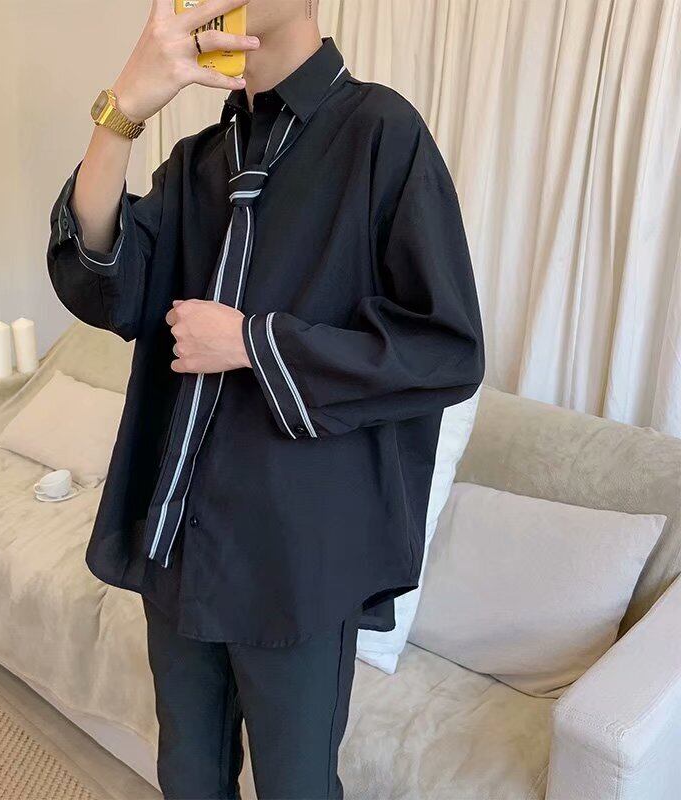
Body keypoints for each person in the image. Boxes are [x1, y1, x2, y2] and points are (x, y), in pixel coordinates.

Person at [46, 0, 484, 796]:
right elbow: (105, 284)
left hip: (296, 556)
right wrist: (122, 113)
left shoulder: (381, 133)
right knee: (188, 774)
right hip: (179, 538)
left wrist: (253, 342)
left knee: (296, 786)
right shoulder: (196, 162)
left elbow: (443, 348)